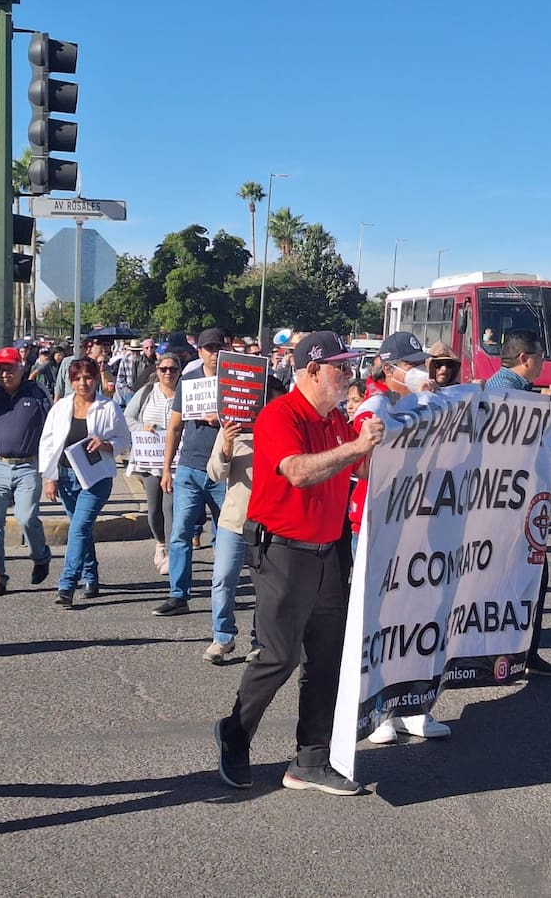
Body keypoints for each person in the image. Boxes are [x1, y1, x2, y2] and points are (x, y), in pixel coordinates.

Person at [215, 331, 384, 796]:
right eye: (340, 367)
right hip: (283, 551)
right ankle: (235, 733)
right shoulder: (279, 415)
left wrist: (381, 439)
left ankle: (310, 759)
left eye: (350, 367)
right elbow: (298, 471)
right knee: (280, 656)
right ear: (312, 370)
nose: (349, 375)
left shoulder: (335, 419)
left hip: (329, 550)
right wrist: (357, 447)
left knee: (327, 658)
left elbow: (360, 469)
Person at [354, 332, 453, 745]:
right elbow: (359, 466)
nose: (417, 371)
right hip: (379, 522)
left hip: (421, 522)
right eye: (409, 365)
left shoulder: (424, 402)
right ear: (389, 367)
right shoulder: (373, 407)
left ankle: (416, 705)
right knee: (379, 620)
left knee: (420, 613)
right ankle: (379, 710)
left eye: (419, 364)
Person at [485, 330, 551, 677]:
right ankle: (516, 655)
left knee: (528, 577)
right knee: (524, 578)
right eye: (541, 355)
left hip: (513, 504)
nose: (543, 362)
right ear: (524, 358)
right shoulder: (508, 394)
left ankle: (521, 653)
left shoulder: (517, 392)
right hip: (505, 510)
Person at [204, 376, 289, 664]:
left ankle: (259, 641)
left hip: (271, 522)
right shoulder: (234, 429)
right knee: (223, 579)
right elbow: (215, 474)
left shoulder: (285, 429)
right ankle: (222, 637)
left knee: (265, 587)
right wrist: (227, 446)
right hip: (235, 520)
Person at [38, 356, 130, 609]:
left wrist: (107, 444)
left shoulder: (108, 407)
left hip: (96, 479)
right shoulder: (61, 407)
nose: (83, 383)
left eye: (88, 378)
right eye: (77, 379)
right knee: (82, 529)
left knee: (78, 529)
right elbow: (48, 443)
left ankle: (67, 583)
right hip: (66, 477)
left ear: (96, 379)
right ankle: (90, 575)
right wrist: (49, 477)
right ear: (70, 382)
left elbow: (124, 439)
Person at [154, 327, 229, 617]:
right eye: (209, 348)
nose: (214, 353)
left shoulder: (235, 383)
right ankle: (178, 594)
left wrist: (222, 420)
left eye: (219, 347)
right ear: (200, 352)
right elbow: (174, 428)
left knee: (225, 536)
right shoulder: (188, 382)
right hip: (189, 468)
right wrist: (167, 469)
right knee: (180, 533)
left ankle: (223, 593)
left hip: (225, 470)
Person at [0, 346, 54, 595]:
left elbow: (53, 425)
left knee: (27, 517)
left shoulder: (36, 392)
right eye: (1, 369)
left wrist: (51, 470)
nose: (5, 374)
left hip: (28, 465)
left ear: (21, 367)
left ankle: (40, 556)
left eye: (10, 368)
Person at [125, 352, 182, 575]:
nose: (168, 373)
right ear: (157, 371)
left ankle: (171, 554)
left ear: (179, 372)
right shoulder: (147, 392)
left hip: (176, 462)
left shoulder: (184, 393)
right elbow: (127, 418)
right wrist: (143, 428)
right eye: (163, 369)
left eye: (173, 369)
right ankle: (160, 543)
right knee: (154, 509)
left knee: (170, 507)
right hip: (150, 461)